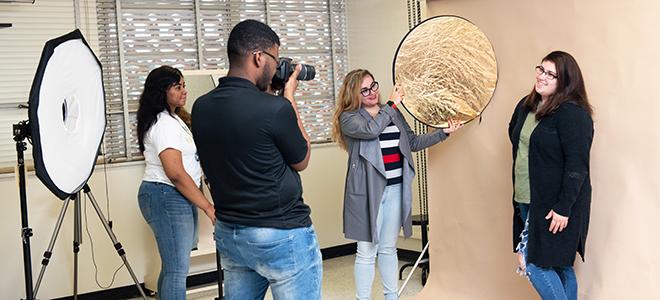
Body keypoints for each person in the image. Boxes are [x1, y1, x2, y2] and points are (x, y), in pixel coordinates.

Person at [191, 19, 322, 300]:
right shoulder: (275, 109)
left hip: (231, 234)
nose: (276, 67)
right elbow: (302, 159)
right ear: (258, 57)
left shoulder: (201, 107)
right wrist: (288, 97)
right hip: (281, 234)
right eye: (275, 58)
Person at [331, 69, 461, 300]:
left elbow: (411, 141)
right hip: (367, 192)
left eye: (373, 86)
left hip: (395, 188)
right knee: (367, 251)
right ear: (353, 94)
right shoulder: (350, 118)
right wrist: (392, 105)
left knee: (388, 248)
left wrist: (443, 133)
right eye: (364, 90)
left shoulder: (390, 112)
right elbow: (371, 131)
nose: (372, 92)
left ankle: (392, 296)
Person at [508, 51, 594, 300]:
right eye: (541, 70)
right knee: (558, 264)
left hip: (554, 205)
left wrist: (564, 207)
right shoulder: (526, 105)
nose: (542, 77)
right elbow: (516, 138)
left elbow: (577, 166)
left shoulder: (572, 114)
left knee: (534, 263)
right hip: (525, 197)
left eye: (550, 74)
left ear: (565, 81)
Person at [136, 65, 216, 299]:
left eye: (184, 85)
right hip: (166, 195)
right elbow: (175, 173)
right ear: (162, 91)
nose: (184, 91)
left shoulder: (174, 118)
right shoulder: (164, 124)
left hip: (173, 195)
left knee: (173, 267)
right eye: (177, 87)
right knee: (176, 270)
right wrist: (207, 206)